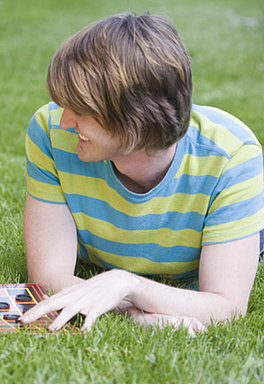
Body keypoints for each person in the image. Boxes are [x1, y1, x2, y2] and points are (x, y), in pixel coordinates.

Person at [19, 12, 264, 334]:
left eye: (81, 110)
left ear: (135, 117)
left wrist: (126, 283)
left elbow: (226, 306)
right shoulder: (51, 132)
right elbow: (48, 276)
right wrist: (132, 310)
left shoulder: (232, 157)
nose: (65, 120)